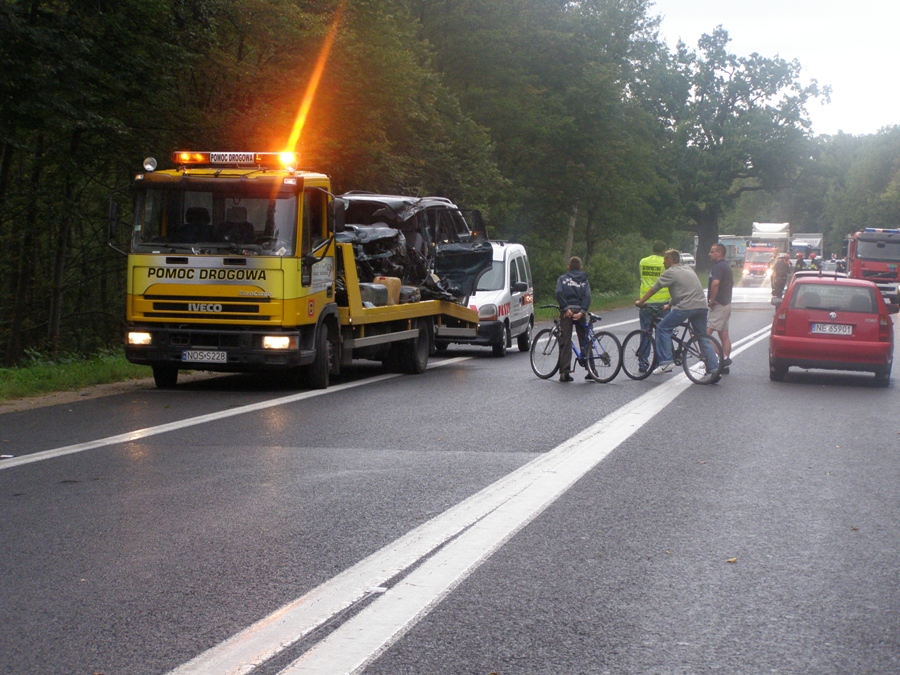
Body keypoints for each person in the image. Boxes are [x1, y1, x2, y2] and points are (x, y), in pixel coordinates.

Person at [635, 249, 718, 378]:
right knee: (702, 337)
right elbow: (683, 289)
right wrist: (670, 304)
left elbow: (654, 288)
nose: (663, 263)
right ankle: (714, 368)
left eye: (664, 260)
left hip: (686, 307)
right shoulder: (688, 269)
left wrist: (641, 301)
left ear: (670, 260)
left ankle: (666, 362)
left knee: (662, 328)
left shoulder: (670, 272)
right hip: (701, 306)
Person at [555, 256, 591, 382]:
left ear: (568, 267)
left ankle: (565, 372)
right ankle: (591, 370)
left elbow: (559, 293)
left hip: (567, 313)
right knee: (585, 340)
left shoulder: (562, 279)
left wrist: (566, 308)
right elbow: (587, 296)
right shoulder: (584, 280)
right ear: (581, 267)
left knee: (566, 341)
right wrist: (582, 312)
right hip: (580, 311)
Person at [637, 240, 670, 372]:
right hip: (663, 302)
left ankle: (643, 363)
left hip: (646, 302)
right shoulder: (665, 263)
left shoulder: (643, 262)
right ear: (664, 251)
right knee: (661, 333)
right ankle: (659, 363)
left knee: (645, 332)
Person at [707, 243, 733, 373]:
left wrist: (711, 300)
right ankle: (725, 363)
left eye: (712, 252)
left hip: (718, 305)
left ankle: (722, 360)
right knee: (724, 335)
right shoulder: (726, 266)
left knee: (705, 335)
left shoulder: (718, 267)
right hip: (726, 304)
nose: (709, 254)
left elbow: (715, 283)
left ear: (719, 253)